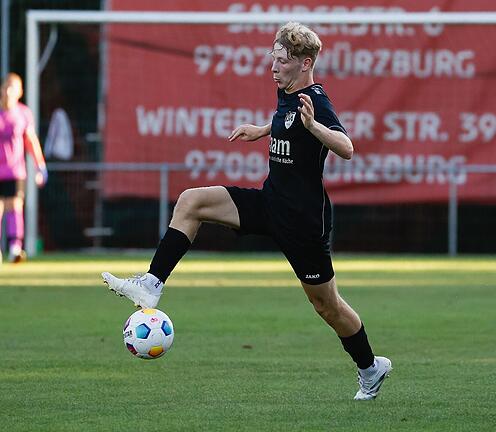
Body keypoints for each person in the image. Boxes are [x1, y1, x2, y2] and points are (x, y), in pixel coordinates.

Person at [102, 22, 392, 401]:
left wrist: (314, 126)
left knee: (327, 306)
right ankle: (152, 285)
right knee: (192, 201)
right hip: (269, 203)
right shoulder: (285, 91)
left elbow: (347, 147)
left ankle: (370, 368)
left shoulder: (316, 101)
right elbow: (286, 121)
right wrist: (263, 128)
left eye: (282, 60)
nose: (274, 66)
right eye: (273, 56)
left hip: (303, 224)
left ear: (305, 64)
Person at [0, 73, 47, 265]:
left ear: (20, 92)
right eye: (7, 86)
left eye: (14, 87)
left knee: (15, 206)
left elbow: (31, 141)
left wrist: (40, 166)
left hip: (15, 171)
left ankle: (14, 249)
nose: (9, 90)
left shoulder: (23, 114)